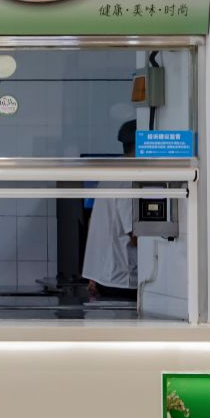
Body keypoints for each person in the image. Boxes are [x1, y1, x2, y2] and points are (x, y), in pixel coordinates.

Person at [83, 120, 139, 304]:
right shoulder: (130, 179)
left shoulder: (112, 172)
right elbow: (134, 235)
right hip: (123, 279)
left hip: (104, 276)